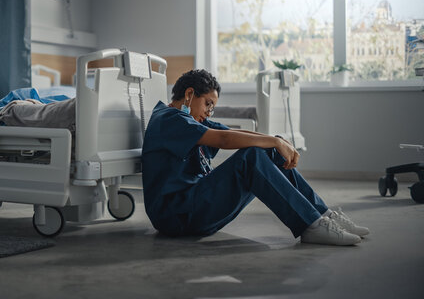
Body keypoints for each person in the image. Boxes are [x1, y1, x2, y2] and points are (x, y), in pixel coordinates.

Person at [141, 69, 369, 245]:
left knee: (267, 149)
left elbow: (233, 133)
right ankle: (310, 226)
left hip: (193, 207)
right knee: (252, 157)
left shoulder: (191, 119)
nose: (209, 112)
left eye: (213, 108)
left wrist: (276, 141)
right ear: (189, 94)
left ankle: (322, 214)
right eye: (208, 104)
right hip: (176, 215)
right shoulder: (168, 119)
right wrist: (275, 141)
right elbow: (223, 140)